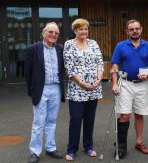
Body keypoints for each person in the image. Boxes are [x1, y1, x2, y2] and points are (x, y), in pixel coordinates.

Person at [111, 19, 148, 159]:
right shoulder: (121, 45)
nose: (134, 31)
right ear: (127, 31)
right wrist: (114, 84)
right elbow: (114, 66)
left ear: (141, 29)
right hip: (125, 84)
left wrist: (147, 74)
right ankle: (121, 145)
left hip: (142, 85)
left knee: (139, 113)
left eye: (137, 28)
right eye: (131, 29)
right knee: (124, 115)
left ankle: (139, 141)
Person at [63, 18, 104, 161]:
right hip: (77, 89)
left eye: (86, 29)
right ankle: (72, 149)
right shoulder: (69, 44)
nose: (84, 31)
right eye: (81, 29)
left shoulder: (93, 43)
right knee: (76, 119)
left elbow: (100, 62)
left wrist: (99, 79)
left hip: (94, 88)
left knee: (89, 119)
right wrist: (81, 83)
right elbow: (69, 67)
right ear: (75, 30)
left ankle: (88, 146)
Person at [25, 22, 65, 163]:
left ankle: (50, 147)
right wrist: (31, 90)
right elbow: (28, 72)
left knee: (52, 120)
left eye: (56, 33)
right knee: (38, 122)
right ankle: (34, 152)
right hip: (41, 89)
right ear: (44, 33)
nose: (53, 35)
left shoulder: (60, 49)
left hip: (56, 88)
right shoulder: (33, 49)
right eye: (50, 32)